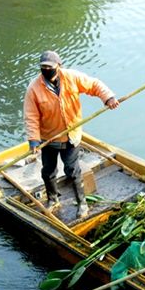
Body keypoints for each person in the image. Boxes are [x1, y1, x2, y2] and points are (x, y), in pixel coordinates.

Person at [23, 50, 120, 218]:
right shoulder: (34, 88)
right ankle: (53, 199)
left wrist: (108, 98)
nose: (46, 70)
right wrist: (33, 140)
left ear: (58, 66)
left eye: (50, 67)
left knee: (72, 170)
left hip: (71, 135)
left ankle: (82, 204)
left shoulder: (72, 77)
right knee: (48, 171)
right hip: (49, 138)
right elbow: (31, 116)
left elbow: (94, 85)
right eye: (43, 67)